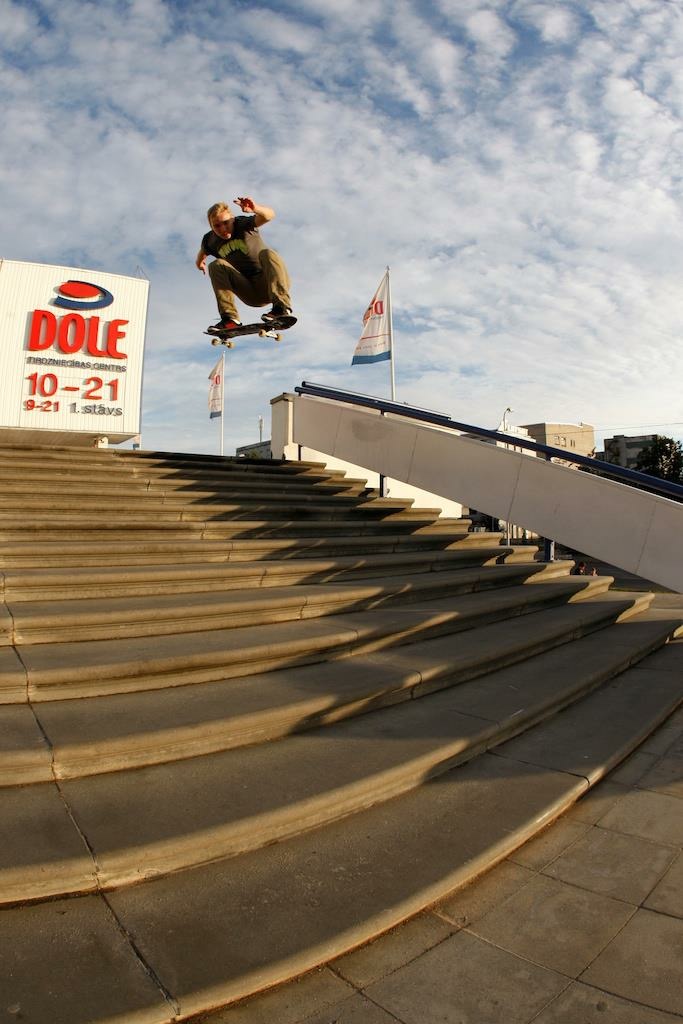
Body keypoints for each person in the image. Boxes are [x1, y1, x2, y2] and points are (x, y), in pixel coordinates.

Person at [196, 196, 294, 334]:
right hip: (250, 292)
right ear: (211, 226)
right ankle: (229, 319)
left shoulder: (243, 224)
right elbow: (203, 252)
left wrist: (255, 209)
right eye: (217, 226)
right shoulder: (210, 240)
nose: (223, 229)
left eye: (226, 223)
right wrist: (199, 263)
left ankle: (281, 308)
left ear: (232, 219)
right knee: (216, 265)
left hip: (271, 282)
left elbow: (269, 216)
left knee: (268, 253)